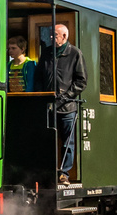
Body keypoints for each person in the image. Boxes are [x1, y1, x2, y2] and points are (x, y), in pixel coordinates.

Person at [35, 23, 88, 184]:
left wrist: (65, 97)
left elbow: (81, 81)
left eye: (55, 35)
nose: (51, 37)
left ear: (64, 36)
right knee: (47, 140)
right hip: (48, 106)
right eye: (51, 35)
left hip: (67, 107)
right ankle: (47, 172)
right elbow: (39, 76)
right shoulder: (46, 53)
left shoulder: (75, 53)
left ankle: (64, 173)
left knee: (68, 142)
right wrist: (40, 96)